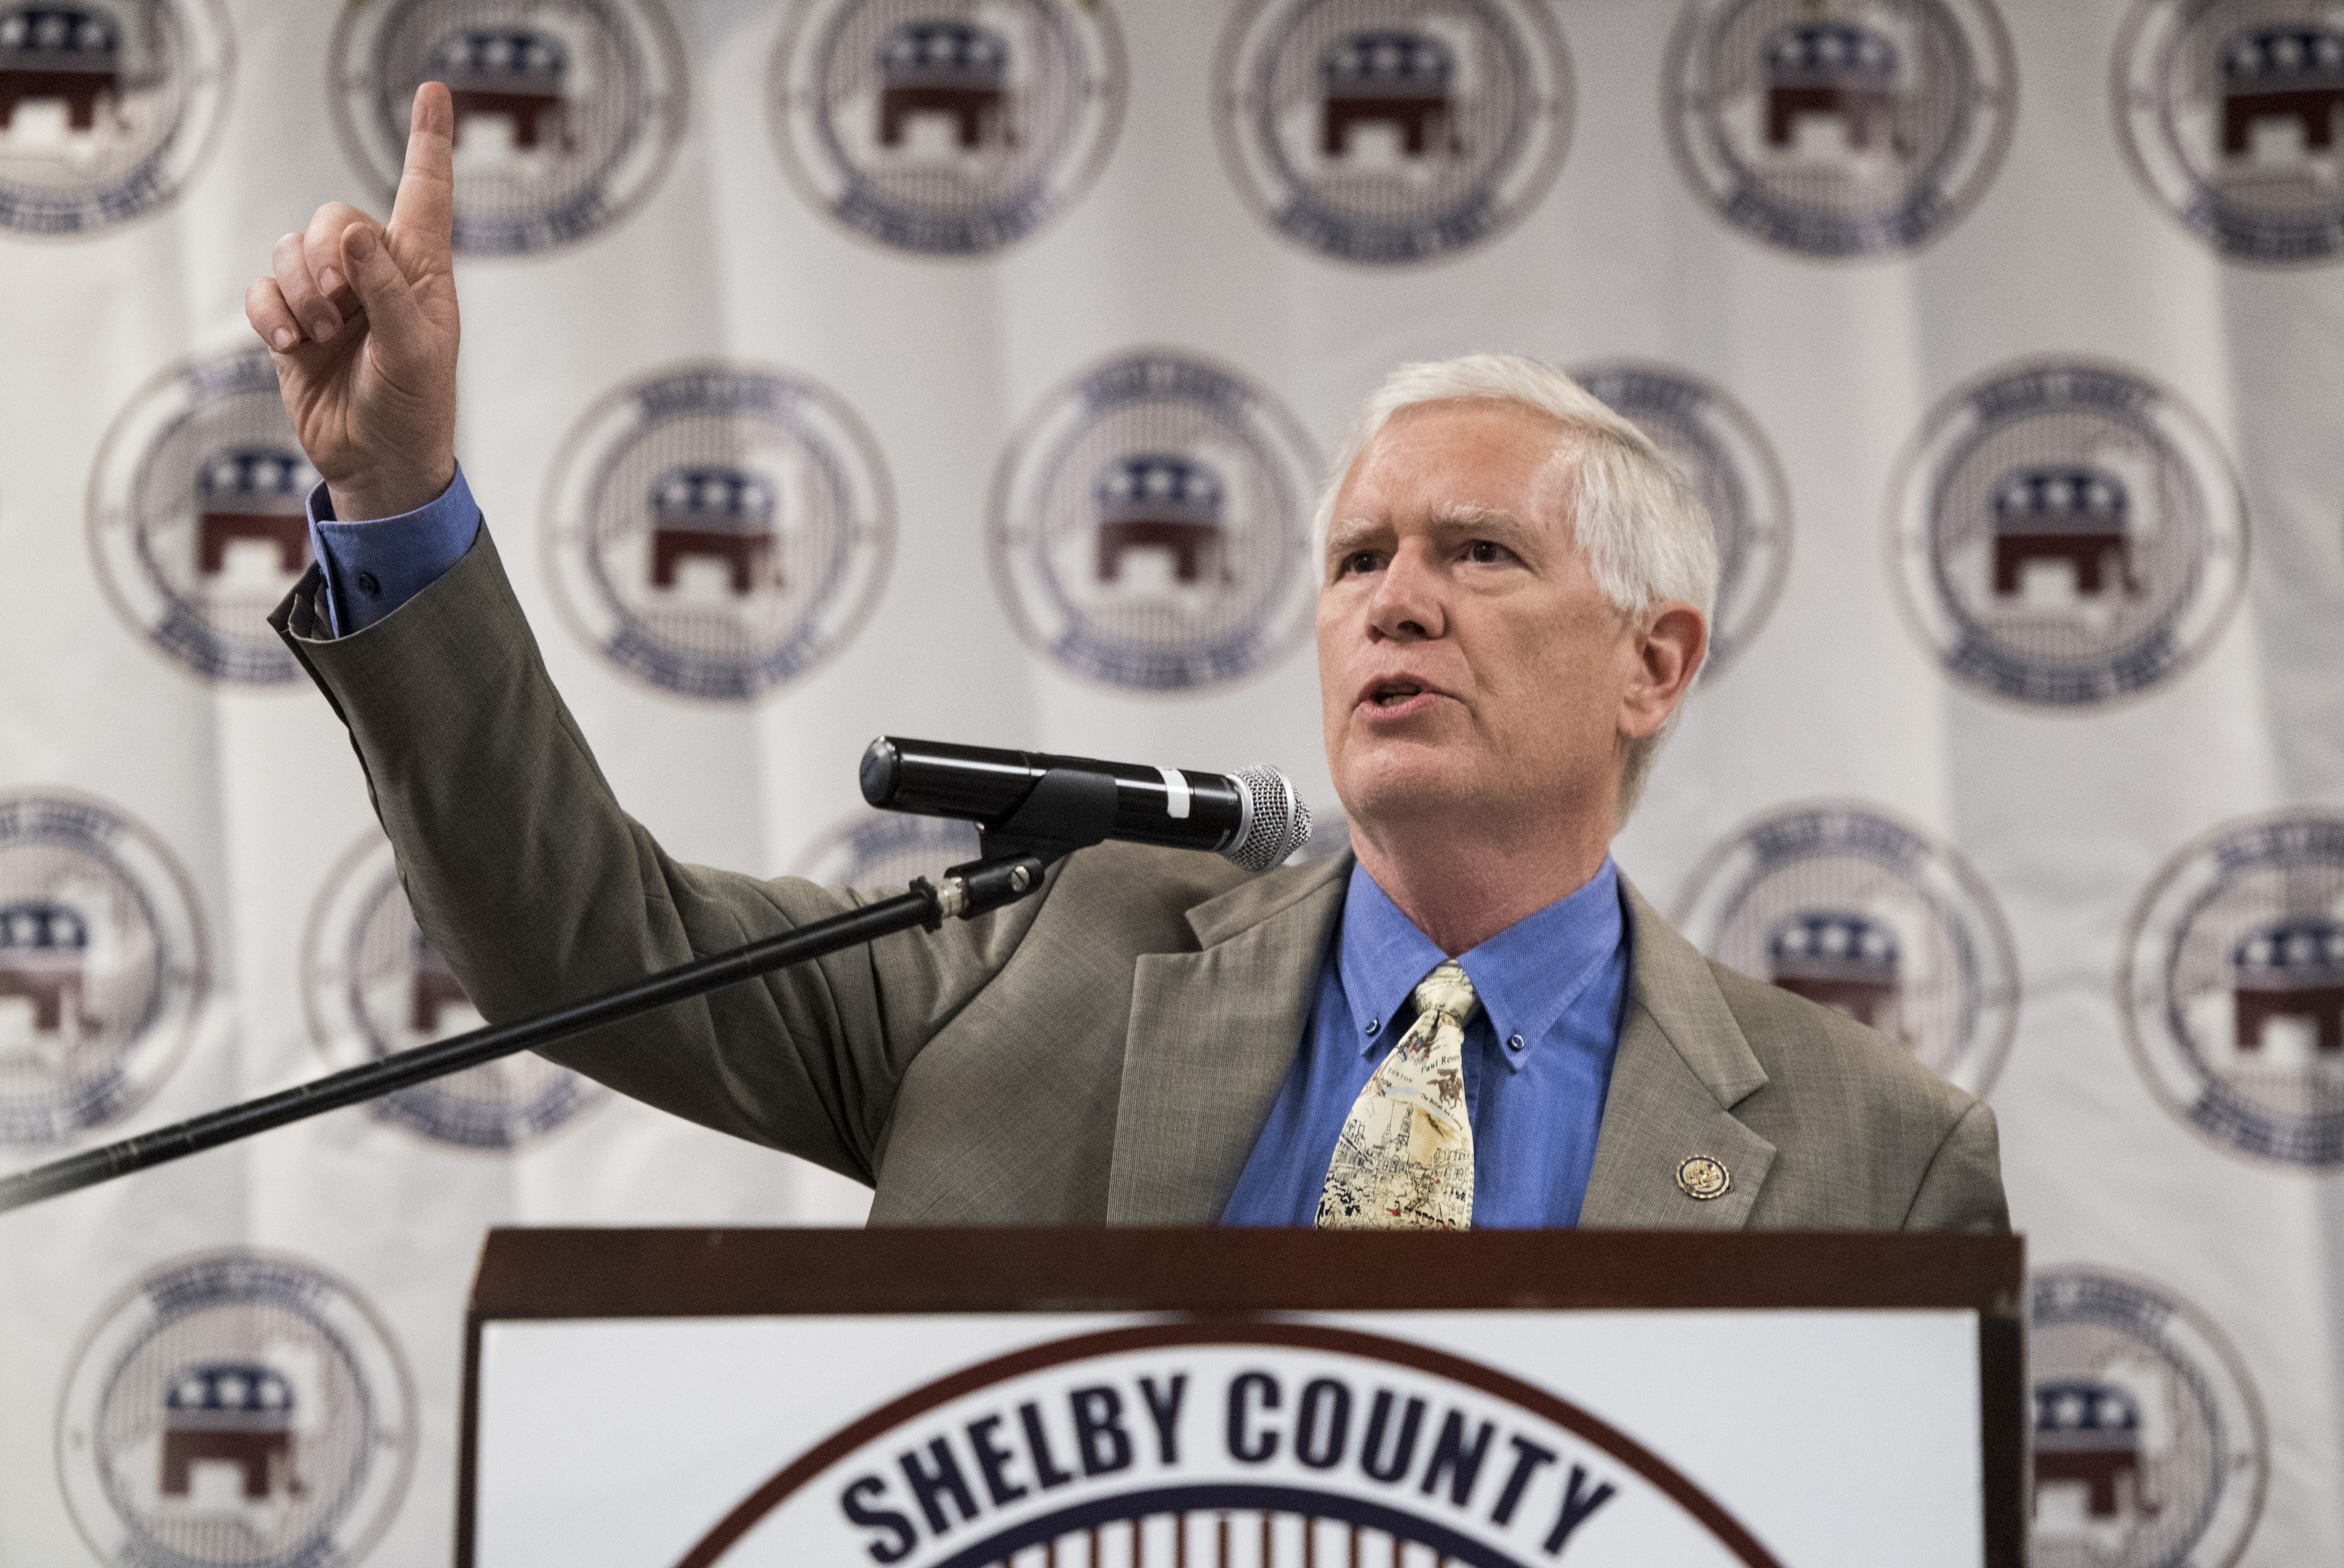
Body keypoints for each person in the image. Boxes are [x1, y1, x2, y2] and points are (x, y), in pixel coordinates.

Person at [246, 86, 2005, 1231]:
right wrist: (394, 494)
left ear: (1656, 661)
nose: (1398, 600)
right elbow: (583, 940)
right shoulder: (1046, 955)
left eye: (1479, 553)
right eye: (1357, 561)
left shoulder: (1881, 1157)